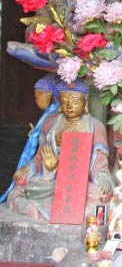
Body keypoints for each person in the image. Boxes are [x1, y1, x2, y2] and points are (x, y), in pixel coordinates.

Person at [7, 80, 113, 221]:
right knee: (29, 185)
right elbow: (40, 156)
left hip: (81, 181)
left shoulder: (95, 126)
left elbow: (100, 164)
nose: (70, 106)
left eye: (75, 101)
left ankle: (56, 206)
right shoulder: (51, 123)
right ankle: (57, 206)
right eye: (64, 101)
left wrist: (103, 179)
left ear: (85, 102)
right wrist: (30, 168)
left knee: (99, 193)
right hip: (51, 178)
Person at [0, 75, 62, 203]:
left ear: (48, 94)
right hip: (41, 164)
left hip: (55, 169)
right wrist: (28, 166)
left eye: (38, 96)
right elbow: (41, 151)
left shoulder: (57, 117)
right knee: (21, 179)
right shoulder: (49, 115)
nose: (36, 100)